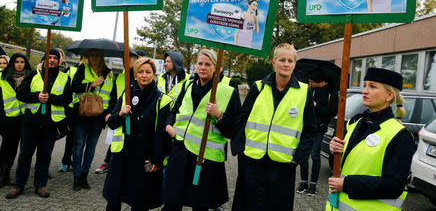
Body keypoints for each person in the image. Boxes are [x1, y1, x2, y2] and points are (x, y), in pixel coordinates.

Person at [231, 43, 316, 211]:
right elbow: (241, 119)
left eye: (290, 60)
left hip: (283, 165)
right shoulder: (259, 87)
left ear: (294, 64)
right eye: (282, 60)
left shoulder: (304, 92)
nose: (286, 64)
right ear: (273, 62)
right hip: (251, 161)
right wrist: (239, 148)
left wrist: (297, 158)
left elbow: (310, 130)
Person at [326, 68, 414, 211]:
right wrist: (336, 152)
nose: (365, 91)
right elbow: (340, 167)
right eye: (365, 85)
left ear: (389, 95)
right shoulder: (354, 124)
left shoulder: (400, 135)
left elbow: (394, 186)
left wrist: (347, 184)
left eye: (372, 86)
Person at [163, 49, 240, 211]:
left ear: (217, 68)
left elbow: (233, 130)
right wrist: (168, 126)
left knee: (200, 205)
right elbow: (174, 111)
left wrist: (218, 115)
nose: (203, 68)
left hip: (205, 159)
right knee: (172, 201)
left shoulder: (228, 92)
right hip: (180, 152)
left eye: (208, 64)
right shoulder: (189, 86)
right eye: (200, 63)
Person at [103, 57, 173, 211]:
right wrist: (120, 114)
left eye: (148, 72)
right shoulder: (126, 94)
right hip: (122, 155)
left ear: (154, 74)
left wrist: (156, 160)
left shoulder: (162, 99)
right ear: (135, 74)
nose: (144, 75)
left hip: (145, 159)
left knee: (140, 201)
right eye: (140, 72)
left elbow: (162, 136)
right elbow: (112, 123)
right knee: (114, 198)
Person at [6, 49, 72, 199]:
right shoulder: (33, 74)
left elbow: (67, 99)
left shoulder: (64, 77)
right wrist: (37, 96)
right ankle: (18, 186)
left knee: (44, 156)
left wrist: (50, 98)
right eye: (49, 57)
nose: (52, 60)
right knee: (25, 155)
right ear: (44, 60)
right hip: (30, 123)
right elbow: (21, 94)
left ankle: (40, 186)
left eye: (55, 58)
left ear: (59, 61)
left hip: (50, 125)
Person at [71, 49, 116, 191]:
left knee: (91, 148)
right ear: (88, 57)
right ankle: (76, 177)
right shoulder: (82, 68)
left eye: (97, 55)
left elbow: (112, 96)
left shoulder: (108, 72)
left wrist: (108, 115)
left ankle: (84, 175)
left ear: (101, 57)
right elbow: (74, 87)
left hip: (98, 117)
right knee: (78, 147)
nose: (94, 58)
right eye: (92, 55)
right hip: (82, 114)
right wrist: (92, 84)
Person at [297, 70, 338, 196]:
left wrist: (316, 105)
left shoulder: (331, 93)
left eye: (311, 82)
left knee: (315, 155)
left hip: (319, 128)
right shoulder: (310, 90)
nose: (309, 83)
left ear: (319, 82)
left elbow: (332, 112)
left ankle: (313, 185)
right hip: (305, 127)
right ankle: (303, 182)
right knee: (303, 154)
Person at [96, 53, 138, 175]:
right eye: (125, 60)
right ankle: (108, 162)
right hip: (119, 114)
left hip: (132, 116)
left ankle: (117, 164)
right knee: (115, 141)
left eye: (129, 60)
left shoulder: (138, 76)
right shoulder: (120, 77)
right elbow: (113, 97)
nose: (127, 62)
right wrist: (110, 113)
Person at [0, 53, 31, 188]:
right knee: (5, 147)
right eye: (16, 62)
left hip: (23, 118)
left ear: (25, 64)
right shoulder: (5, 76)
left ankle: (6, 175)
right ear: (12, 63)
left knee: (14, 148)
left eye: (22, 62)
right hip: (7, 117)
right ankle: (1, 174)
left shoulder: (31, 77)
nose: (19, 64)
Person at [59, 56, 87, 172]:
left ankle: (75, 162)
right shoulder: (71, 70)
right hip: (70, 109)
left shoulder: (90, 72)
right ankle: (66, 161)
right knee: (70, 137)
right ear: (83, 58)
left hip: (85, 109)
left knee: (79, 139)